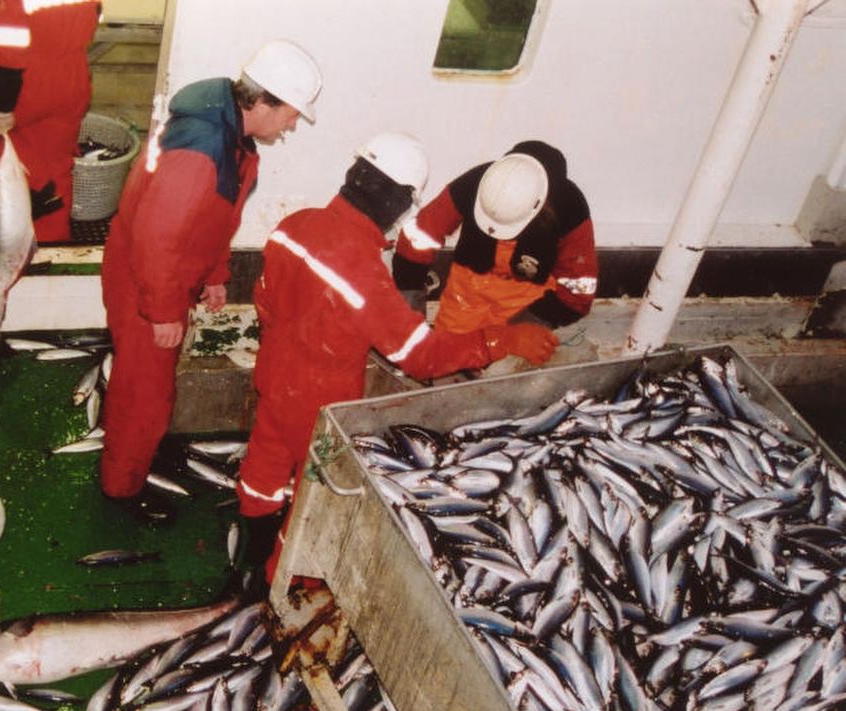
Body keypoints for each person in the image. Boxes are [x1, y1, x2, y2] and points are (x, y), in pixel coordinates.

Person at [234, 132, 559, 585]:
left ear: (355, 174)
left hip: (274, 376)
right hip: (320, 409)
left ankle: (247, 553)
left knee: (266, 463)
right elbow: (420, 357)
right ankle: (282, 581)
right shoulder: (365, 276)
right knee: (318, 492)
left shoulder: (293, 227)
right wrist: (500, 339)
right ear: (400, 201)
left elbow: (264, 299)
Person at [100, 40, 323, 521]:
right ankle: (121, 491)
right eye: (291, 116)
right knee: (144, 395)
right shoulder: (202, 149)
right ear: (263, 102)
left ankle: (134, 454)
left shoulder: (230, 136)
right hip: (145, 281)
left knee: (147, 387)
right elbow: (157, 236)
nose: (290, 127)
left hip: (164, 275)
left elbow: (213, 219)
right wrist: (161, 311)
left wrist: (215, 275)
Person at [392, 140, 597, 349]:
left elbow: (579, 292)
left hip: (528, 300)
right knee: (446, 353)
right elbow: (417, 238)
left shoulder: (570, 208)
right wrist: (410, 315)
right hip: (467, 293)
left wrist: (522, 331)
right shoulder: (476, 182)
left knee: (510, 362)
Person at [0, 0, 101, 243]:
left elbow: (8, 45)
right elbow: (95, 12)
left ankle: (8, 235)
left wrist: (1, 107)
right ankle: (52, 240)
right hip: (73, 73)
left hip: (27, 79)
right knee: (54, 161)